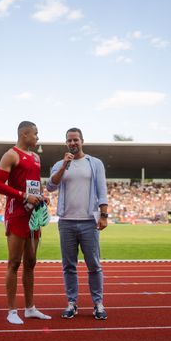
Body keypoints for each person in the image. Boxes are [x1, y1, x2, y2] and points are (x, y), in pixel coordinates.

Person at [46, 127, 109, 320]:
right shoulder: (60, 164)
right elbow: (50, 186)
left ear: (82, 141)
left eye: (76, 140)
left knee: (94, 265)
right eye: (69, 141)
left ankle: (98, 304)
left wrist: (104, 215)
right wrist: (65, 165)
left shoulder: (95, 163)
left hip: (89, 222)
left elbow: (102, 189)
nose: (72, 143)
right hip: (66, 221)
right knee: (69, 266)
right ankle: (72, 303)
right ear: (66, 143)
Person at [0, 120, 51, 325]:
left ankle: (30, 308)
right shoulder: (11, 155)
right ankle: (11, 310)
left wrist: (41, 196)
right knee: (14, 262)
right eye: (35, 133)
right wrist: (23, 196)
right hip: (16, 214)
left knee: (31, 263)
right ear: (25, 134)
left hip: (33, 215)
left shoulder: (36, 157)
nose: (37, 137)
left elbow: (35, 183)